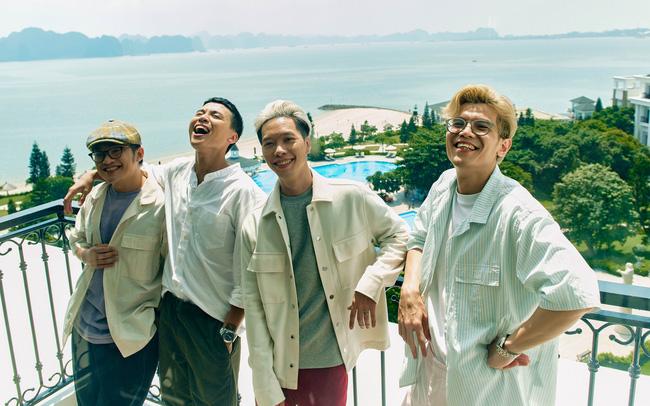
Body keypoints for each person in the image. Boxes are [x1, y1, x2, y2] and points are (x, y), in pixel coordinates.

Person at [397, 85, 601, 406]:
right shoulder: (444, 186)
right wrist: (410, 290)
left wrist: (509, 347)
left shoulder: (518, 214)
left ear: (503, 146)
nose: (465, 132)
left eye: (481, 127)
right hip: (430, 367)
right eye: (458, 123)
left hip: (483, 388)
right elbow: (419, 237)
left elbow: (577, 294)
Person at [64, 97, 266, 405]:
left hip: (212, 319)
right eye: (199, 112)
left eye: (215, 115)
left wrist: (229, 331)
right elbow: (131, 168)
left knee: (215, 400)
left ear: (232, 137)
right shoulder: (177, 172)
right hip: (170, 313)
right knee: (175, 399)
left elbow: (251, 269)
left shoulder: (244, 193)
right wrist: (90, 175)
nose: (203, 117)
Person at [240, 100, 409, 406]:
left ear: (307, 143)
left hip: (329, 360)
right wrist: (264, 385)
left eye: (288, 139)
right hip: (280, 366)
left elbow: (400, 236)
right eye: (269, 143)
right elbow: (254, 310)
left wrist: (372, 283)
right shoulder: (254, 224)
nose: (279, 150)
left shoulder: (351, 197)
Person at [62, 119, 165, 405]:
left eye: (116, 151)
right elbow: (76, 237)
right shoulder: (96, 196)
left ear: (139, 153)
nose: (107, 160)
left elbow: (171, 269)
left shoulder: (160, 206)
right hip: (86, 328)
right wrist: (85, 255)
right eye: (100, 154)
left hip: (132, 335)